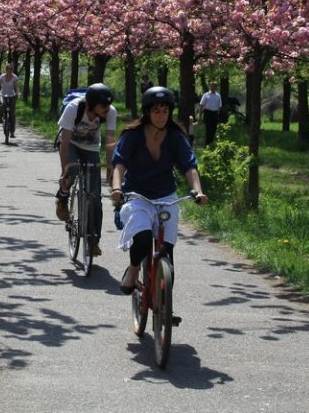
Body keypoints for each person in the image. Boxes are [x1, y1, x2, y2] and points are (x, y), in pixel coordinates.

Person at [110, 86, 208, 298]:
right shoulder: (133, 135)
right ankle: (133, 269)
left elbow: (189, 166)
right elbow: (119, 164)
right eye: (156, 111)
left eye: (165, 111)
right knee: (143, 239)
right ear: (147, 112)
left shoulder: (175, 136)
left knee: (166, 253)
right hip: (138, 196)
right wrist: (117, 188)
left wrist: (198, 191)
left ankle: (163, 305)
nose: (161, 116)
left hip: (166, 197)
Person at [55, 83, 117, 257]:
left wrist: (110, 165)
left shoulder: (110, 112)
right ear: (91, 104)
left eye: (108, 104)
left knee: (96, 197)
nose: (107, 108)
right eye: (102, 105)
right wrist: (64, 170)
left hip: (91, 148)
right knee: (72, 172)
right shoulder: (73, 108)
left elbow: (110, 141)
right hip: (72, 144)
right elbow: (65, 141)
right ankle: (62, 197)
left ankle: (93, 242)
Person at [0, 63, 19, 137]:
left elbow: (16, 87)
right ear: (6, 70)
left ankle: (12, 132)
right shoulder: (2, 76)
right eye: (8, 69)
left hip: (12, 95)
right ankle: (0, 115)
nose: (10, 70)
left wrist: (18, 93)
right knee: (3, 104)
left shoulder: (14, 77)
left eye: (11, 69)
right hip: (3, 94)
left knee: (12, 114)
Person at [199, 81, 222, 146]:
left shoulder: (218, 96)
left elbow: (219, 107)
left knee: (213, 130)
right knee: (208, 130)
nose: (213, 87)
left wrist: (218, 116)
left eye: (214, 86)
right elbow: (201, 105)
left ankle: (211, 145)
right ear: (209, 86)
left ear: (216, 87)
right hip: (207, 113)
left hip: (215, 114)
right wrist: (200, 117)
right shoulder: (206, 95)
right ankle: (207, 145)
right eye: (211, 86)